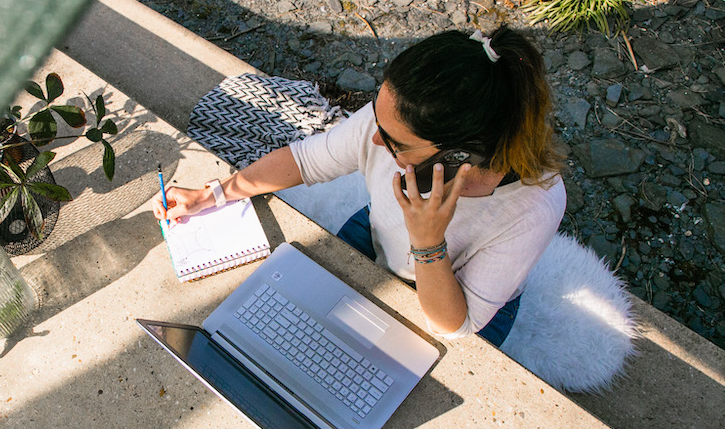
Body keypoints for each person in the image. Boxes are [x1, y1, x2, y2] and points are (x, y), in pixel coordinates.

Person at [153, 26, 566, 347]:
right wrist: (216, 193)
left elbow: (455, 324)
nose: (372, 141)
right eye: (377, 119)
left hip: (456, 299)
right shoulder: (394, 118)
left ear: (458, 156)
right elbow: (304, 159)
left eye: (394, 143)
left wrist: (427, 241)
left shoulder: (533, 206)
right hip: (378, 237)